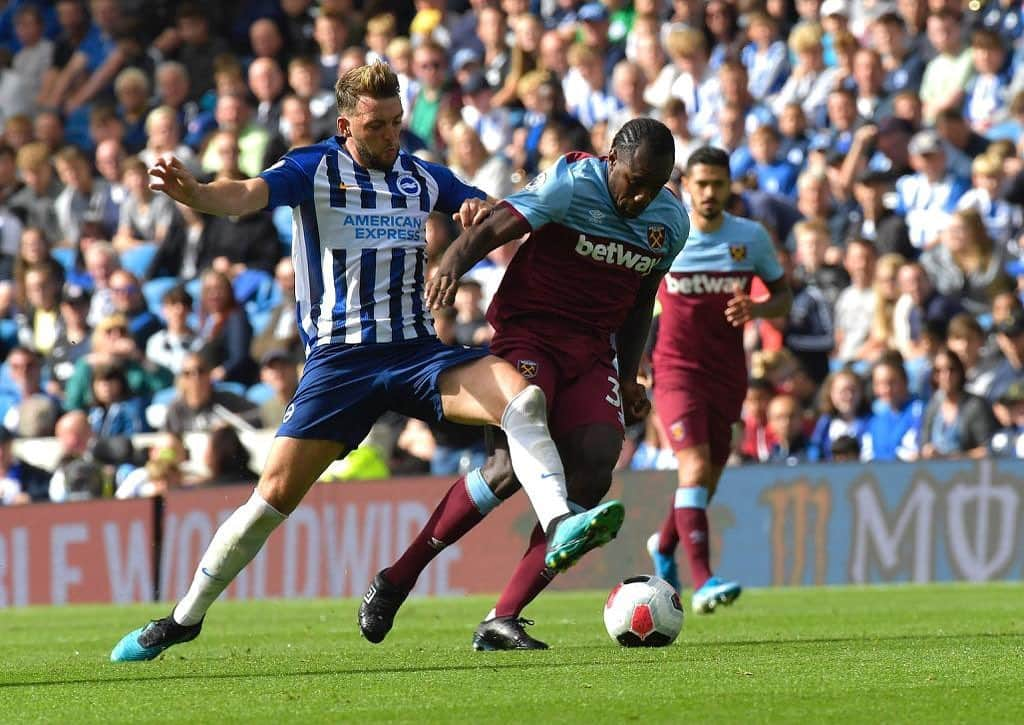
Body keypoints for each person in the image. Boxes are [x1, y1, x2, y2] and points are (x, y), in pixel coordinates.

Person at [111, 62, 620, 663]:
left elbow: (480, 206)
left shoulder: (420, 177)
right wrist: (195, 193)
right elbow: (247, 194)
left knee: (521, 399)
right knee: (269, 499)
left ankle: (560, 521)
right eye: (377, 125)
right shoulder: (313, 167)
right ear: (346, 123)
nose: (391, 135)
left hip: (415, 355)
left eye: (397, 121)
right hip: (340, 365)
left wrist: (474, 210)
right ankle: (183, 618)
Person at [359, 118, 687, 651]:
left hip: (590, 351)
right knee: (507, 467)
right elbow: (496, 226)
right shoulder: (571, 183)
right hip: (528, 335)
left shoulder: (669, 221)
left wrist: (629, 374)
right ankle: (398, 577)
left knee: (597, 463)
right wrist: (451, 262)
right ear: (611, 160)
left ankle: (502, 617)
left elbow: (641, 298)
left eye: (656, 184)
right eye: (635, 180)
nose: (642, 196)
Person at [646, 146, 792, 608]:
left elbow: (784, 296)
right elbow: (635, 296)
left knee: (705, 477)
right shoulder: (666, 233)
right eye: (701, 183)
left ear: (730, 186)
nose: (709, 193)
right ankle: (705, 579)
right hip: (674, 372)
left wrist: (760, 307)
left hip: (728, 375)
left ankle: (663, 545)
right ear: (686, 186)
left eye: (718, 184)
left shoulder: (750, 238)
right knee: (691, 467)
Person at [920, 347, 997, 459]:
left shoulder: (975, 405)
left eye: (951, 370)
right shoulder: (933, 406)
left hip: (970, 473)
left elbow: (987, 450)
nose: (946, 376)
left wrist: (952, 457)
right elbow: (925, 444)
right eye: (939, 371)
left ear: (960, 372)